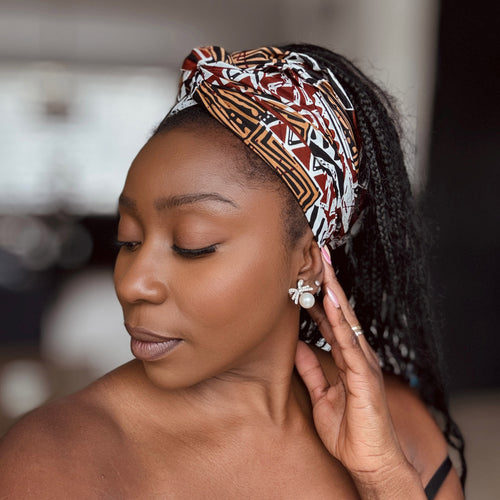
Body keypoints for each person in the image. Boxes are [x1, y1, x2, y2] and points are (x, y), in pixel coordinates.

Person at [0, 44, 465, 498]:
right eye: (129, 240)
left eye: (192, 245)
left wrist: (383, 477)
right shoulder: (56, 463)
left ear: (307, 262)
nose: (132, 283)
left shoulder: (395, 429)